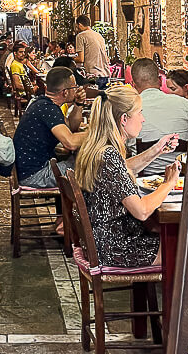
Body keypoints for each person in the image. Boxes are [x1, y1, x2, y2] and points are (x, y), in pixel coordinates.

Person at [75, 86, 180, 268]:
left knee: (170, 235)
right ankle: (177, 296)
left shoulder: (97, 148)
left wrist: (156, 150)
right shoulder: (109, 154)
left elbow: (121, 170)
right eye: (139, 113)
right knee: (186, 247)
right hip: (116, 247)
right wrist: (168, 183)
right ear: (124, 119)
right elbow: (142, 211)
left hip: (105, 241)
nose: (143, 119)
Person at [12, 66, 89, 188]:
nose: (76, 89)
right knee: (90, 165)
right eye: (74, 87)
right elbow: (70, 143)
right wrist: (98, 132)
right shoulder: (48, 109)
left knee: (83, 161)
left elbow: (71, 127)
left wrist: (78, 104)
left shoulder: (43, 103)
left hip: (28, 170)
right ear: (65, 92)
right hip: (34, 175)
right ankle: (83, 205)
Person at [130, 58, 188, 172]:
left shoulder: (131, 109)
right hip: (183, 178)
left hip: (145, 179)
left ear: (133, 84)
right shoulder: (184, 104)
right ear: (160, 81)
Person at [74, 15, 111, 84]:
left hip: (93, 75)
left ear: (79, 25)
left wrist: (69, 59)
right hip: (105, 73)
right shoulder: (99, 35)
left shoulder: (81, 36)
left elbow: (81, 59)